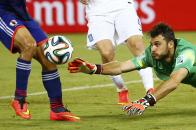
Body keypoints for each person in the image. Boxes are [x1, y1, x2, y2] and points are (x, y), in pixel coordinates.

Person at [68, 23, 196, 116]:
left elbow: (174, 81)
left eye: (157, 44)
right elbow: (121, 66)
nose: (153, 49)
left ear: (171, 44)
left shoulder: (186, 54)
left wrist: (146, 101)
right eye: (152, 45)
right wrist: (94, 69)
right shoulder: (151, 56)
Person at [0, 0, 80, 121]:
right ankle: (19, 99)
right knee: (28, 45)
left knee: (48, 56)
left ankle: (57, 108)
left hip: (22, 13)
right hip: (3, 11)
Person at [79, 0, 154, 104]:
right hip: (97, 9)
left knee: (136, 44)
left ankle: (150, 89)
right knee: (106, 52)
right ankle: (121, 88)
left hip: (122, 5)